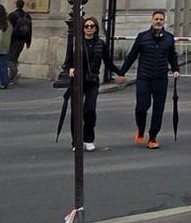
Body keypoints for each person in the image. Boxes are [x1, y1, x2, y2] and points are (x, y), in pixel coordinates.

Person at [118, 10, 180, 147]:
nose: (158, 21)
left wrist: (176, 69)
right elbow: (132, 55)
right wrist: (122, 72)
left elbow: (172, 56)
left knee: (158, 109)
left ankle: (153, 137)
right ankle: (140, 129)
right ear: (152, 20)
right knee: (142, 107)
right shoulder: (142, 37)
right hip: (144, 78)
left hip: (161, 78)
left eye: (161, 19)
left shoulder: (169, 38)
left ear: (164, 21)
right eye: (156, 19)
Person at [62, 16, 108, 150]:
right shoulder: (77, 43)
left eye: (91, 26)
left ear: (96, 28)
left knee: (90, 110)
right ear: (82, 28)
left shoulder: (100, 44)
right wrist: (70, 68)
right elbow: (67, 62)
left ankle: (88, 138)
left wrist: (120, 72)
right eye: (86, 26)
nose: (89, 28)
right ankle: (76, 141)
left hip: (92, 81)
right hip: (78, 81)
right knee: (76, 112)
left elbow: (108, 61)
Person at [8, 0, 33, 85]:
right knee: (15, 58)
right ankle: (12, 78)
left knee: (9, 59)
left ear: (16, 5)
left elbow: (8, 29)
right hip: (22, 41)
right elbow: (30, 30)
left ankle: (14, 73)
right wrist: (28, 42)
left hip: (13, 40)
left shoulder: (12, 16)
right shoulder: (27, 16)